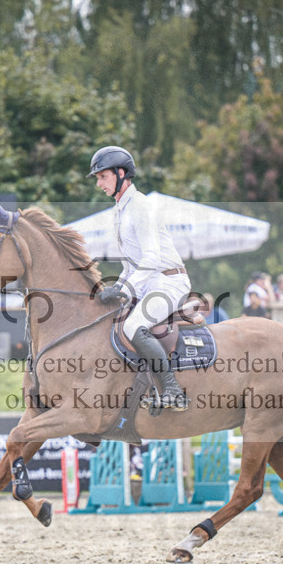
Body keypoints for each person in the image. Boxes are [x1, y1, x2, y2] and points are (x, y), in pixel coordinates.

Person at [89, 145, 190, 411]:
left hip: (169, 281)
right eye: (97, 178)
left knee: (133, 326)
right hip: (148, 282)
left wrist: (128, 288)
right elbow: (129, 267)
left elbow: (152, 258)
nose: (98, 183)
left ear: (121, 173)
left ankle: (172, 389)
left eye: (103, 176)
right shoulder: (119, 211)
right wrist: (116, 288)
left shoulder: (140, 205)